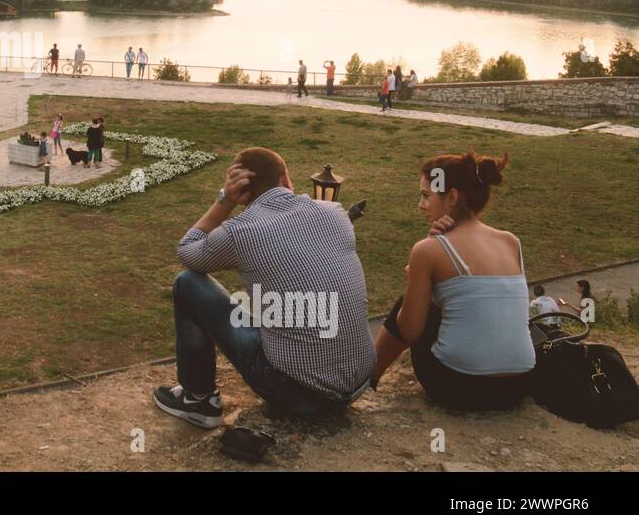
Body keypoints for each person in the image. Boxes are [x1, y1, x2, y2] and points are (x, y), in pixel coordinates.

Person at [153, 147, 375, 427]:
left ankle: (198, 400)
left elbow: (187, 252)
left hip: (301, 395)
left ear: (240, 189)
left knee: (187, 283)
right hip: (358, 384)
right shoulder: (335, 212)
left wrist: (224, 201)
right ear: (286, 178)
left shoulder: (239, 231)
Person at [372, 152, 534, 411]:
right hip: (517, 387)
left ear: (452, 198)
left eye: (426, 195)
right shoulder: (510, 241)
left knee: (411, 301)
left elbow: (409, 330)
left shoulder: (428, 250)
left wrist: (420, 263)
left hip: (458, 387)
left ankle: (368, 376)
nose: (420, 205)